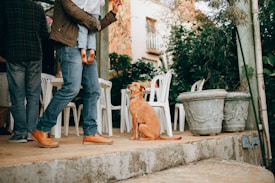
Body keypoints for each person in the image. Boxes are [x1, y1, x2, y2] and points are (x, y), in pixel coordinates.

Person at [32, 0, 122, 148]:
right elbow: (76, 13)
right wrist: (95, 22)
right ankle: (42, 128)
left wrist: (112, 14)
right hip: (69, 45)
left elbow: (94, 26)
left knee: (93, 89)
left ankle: (90, 132)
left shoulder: (89, 4)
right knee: (71, 88)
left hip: (86, 47)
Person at [0, 0, 49, 142]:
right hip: (35, 55)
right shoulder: (38, 8)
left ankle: (21, 132)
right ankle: (31, 131)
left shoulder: (6, 5)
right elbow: (44, 34)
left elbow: (2, 31)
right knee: (33, 95)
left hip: (15, 54)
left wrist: (3, 53)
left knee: (17, 96)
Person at [72, 0, 105, 64]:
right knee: (92, 33)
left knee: (82, 30)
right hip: (95, 11)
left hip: (85, 9)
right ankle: (92, 51)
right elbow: (102, 3)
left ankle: (83, 50)